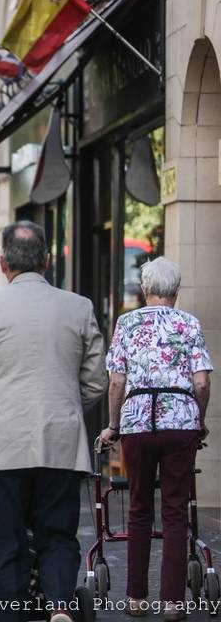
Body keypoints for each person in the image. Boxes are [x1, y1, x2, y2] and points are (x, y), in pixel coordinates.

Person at [0, 221, 106, 622]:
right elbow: (96, 382)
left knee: (6, 539)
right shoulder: (79, 306)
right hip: (62, 444)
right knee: (59, 535)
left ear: (2, 264)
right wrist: (66, 408)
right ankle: (59, 607)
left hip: (3, 444)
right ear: (48, 261)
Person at [99, 257, 212, 620]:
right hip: (181, 423)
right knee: (176, 510)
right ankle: (173, 602)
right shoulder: (189, 323)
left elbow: (116, 382)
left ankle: (135, 598)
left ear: (144, 290)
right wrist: (200, 418)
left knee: (139, 507)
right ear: (176, 293)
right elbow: (202, 382)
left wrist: (114, 425)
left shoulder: (126, 323)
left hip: (137, 423)